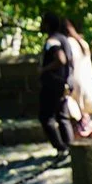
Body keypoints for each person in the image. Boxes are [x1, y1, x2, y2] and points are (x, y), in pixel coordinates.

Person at [34, 11, 76, 157]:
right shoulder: (64, 39)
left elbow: (61, 59)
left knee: (46, 117)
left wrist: (43, 69)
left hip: (53, 85)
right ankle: (71, 149)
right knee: (63, 117)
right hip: (66, 83)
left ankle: (61, 148)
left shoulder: (52, 41)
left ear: (47, 24)